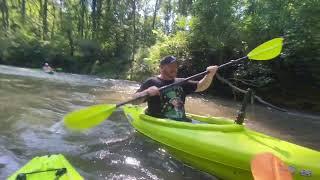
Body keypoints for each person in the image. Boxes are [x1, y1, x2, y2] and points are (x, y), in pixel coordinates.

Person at [134, 55, 218, 122]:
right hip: (160, 123)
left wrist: (209, 75)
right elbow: (134, 101)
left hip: (181, 122)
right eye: (171, 66)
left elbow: (201, 86)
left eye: (176, 66)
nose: (174, 68)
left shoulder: (181, 82)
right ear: (161, 67)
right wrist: (146, 92)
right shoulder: (151, 82)